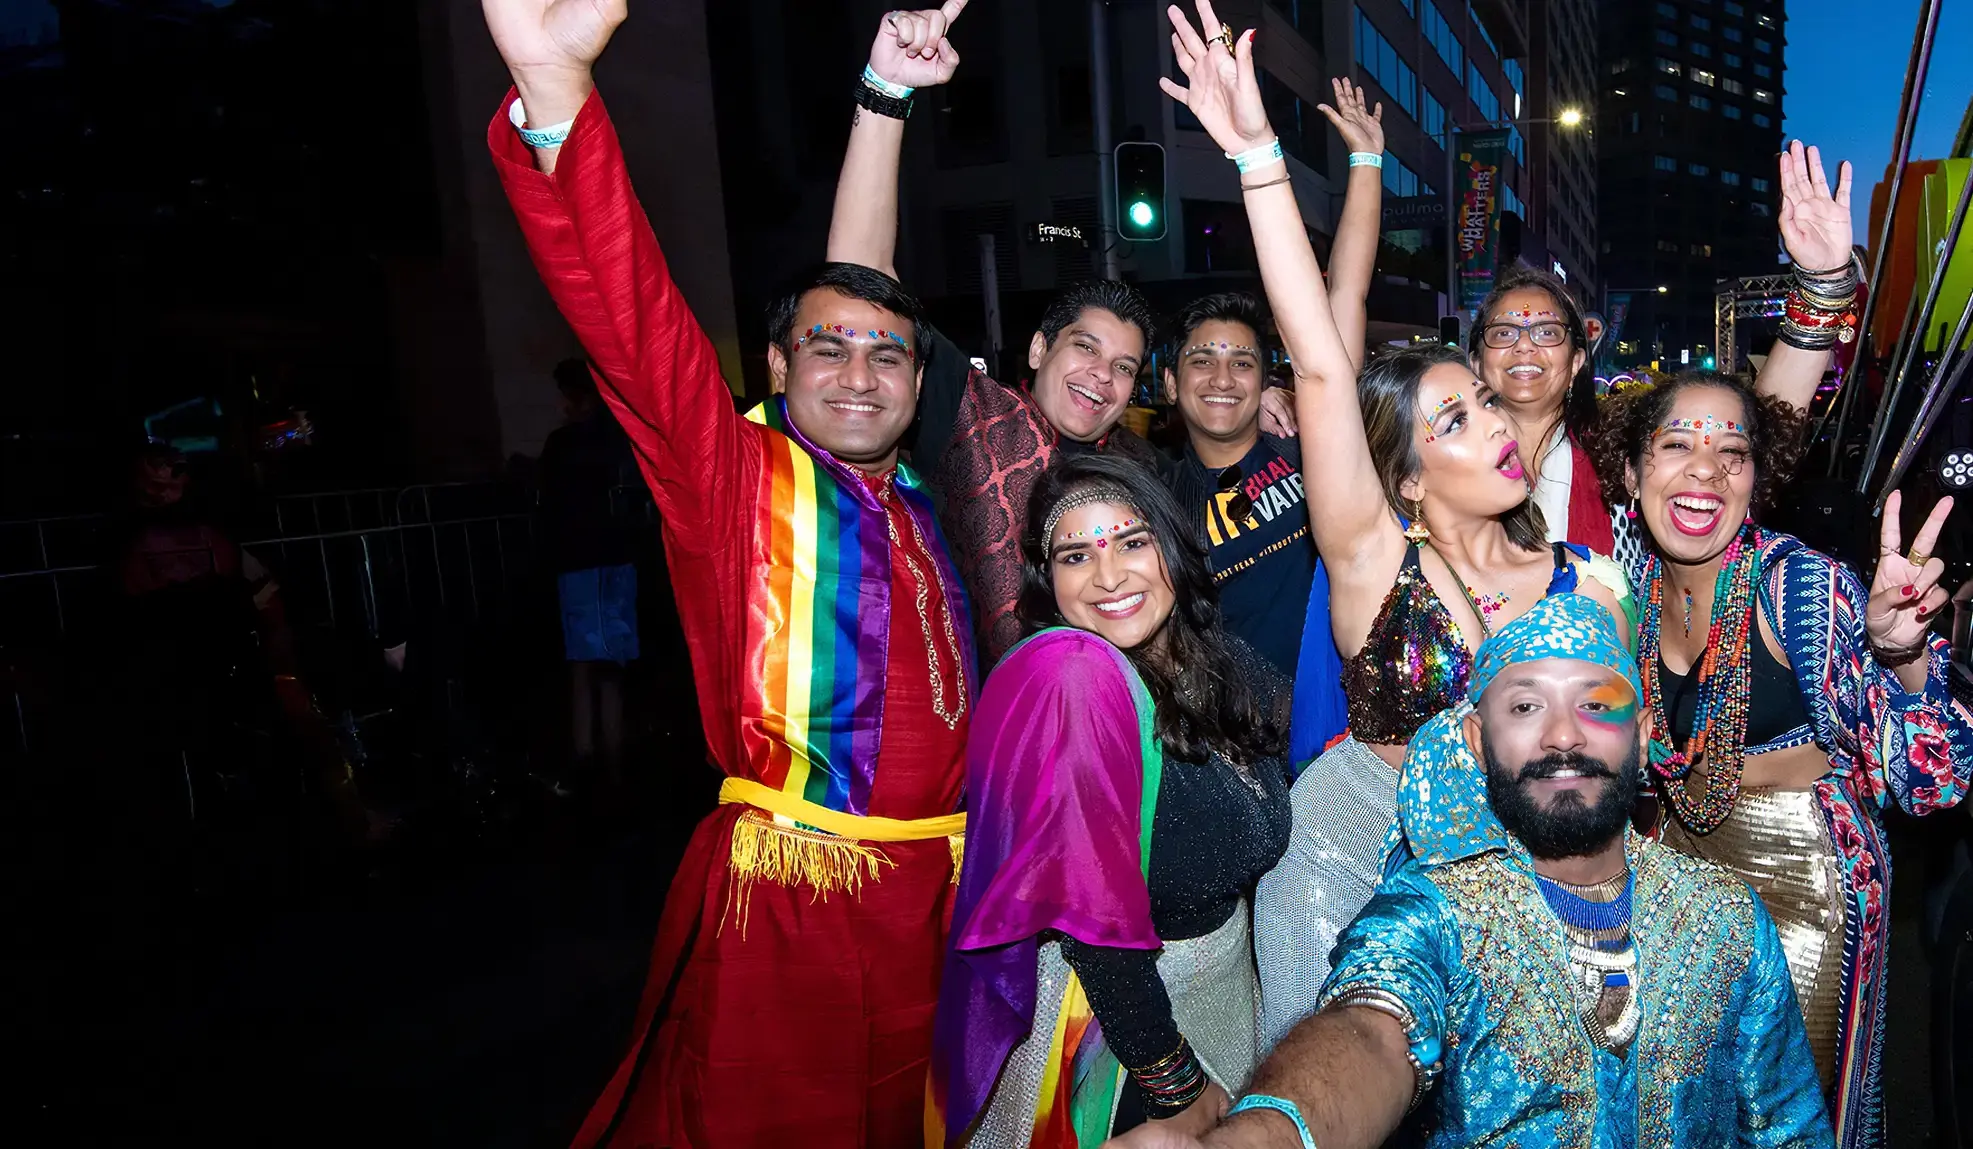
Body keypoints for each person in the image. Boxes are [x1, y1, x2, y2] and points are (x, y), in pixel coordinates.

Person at [479, 2, 980, 1143]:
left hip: (938, 910)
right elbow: (630, 316)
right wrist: (558, 96)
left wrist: (888, 96)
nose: (858, 374)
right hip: (794, 910)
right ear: (773, 364)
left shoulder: (923, 499)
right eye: (825, 347)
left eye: (886, 352)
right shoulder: (735, 474)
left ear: (918, 379)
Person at [1151, 0, 1632, 1049]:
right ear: (1405, 480)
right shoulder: (1374, 561)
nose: (1495, 424)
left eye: (1489, 405)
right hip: (1345, 866)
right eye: (1455, 417)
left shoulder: (1592, 583)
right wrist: (1255, 157)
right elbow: (1321, 359)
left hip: (1523, 883)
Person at [1106, 590, 1833, 1149]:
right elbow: (1368, 1030)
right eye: (1525, 705)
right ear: (1477, 741)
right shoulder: (1434, 914)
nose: (1561, 733)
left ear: (1642, 734)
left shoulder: (1725, 916)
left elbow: (1788, 1125)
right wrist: (1261, 1135)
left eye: (1595, 702)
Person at [825, 3, 1293, 664]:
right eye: (1085, 348)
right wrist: (886, 90)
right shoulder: (965, 411)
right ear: (1040, 348)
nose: (1103, 376)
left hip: (1123, 730)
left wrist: (1272, 407)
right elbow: (859, 288)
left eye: (1125, 366)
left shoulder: (1138, 467)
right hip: (982, 735)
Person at [1588, 369, 1973, 1148]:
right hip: (1680, 874)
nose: (1705, 467)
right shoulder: (1627, 592)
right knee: (1682, 1108)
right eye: (1676, 445)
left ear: (1755, 481)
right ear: (1630, 472)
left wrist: (1901, 658)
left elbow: (1929, 783)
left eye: (1732, 452)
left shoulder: (1796, 584)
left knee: (1776, 1117)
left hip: (1800, 881)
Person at [932, 453, 1291, 1145]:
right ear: (1048, 579)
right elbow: (1092, 922)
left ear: (1171, 546)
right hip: (1114, 1031)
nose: (1108, 576)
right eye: (1075, 555)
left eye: (1131, 541)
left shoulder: (1211, 661)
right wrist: (1170, 1080)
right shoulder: (1072, 685)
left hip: (1219, 997)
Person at [1465, 141, 1855, 566]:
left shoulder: (1617, 456)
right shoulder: (1439, 463)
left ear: (1577, 359)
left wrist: (1823, 283)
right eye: (1503, 332)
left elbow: (1760, 425)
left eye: (1546, 331)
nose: (1524, 344)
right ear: (1475, 361)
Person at [1160, 79, 1381, 760]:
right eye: (1202, 360)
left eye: (1242, 362)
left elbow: (1343, 292)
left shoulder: (1310, 449)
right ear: (1168, 383)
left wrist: (1366, 165)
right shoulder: (1156, 499)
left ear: (1267, 380)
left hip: (1336, 730)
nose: (1222, 377)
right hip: (1229, 752)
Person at [538, 356, 645, 785]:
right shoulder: (614, 440)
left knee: (587, 663)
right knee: (606, 665)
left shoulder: (570, 443)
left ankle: (592, 758)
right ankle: (607, 757)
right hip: (611, 558)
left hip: (584, 560)